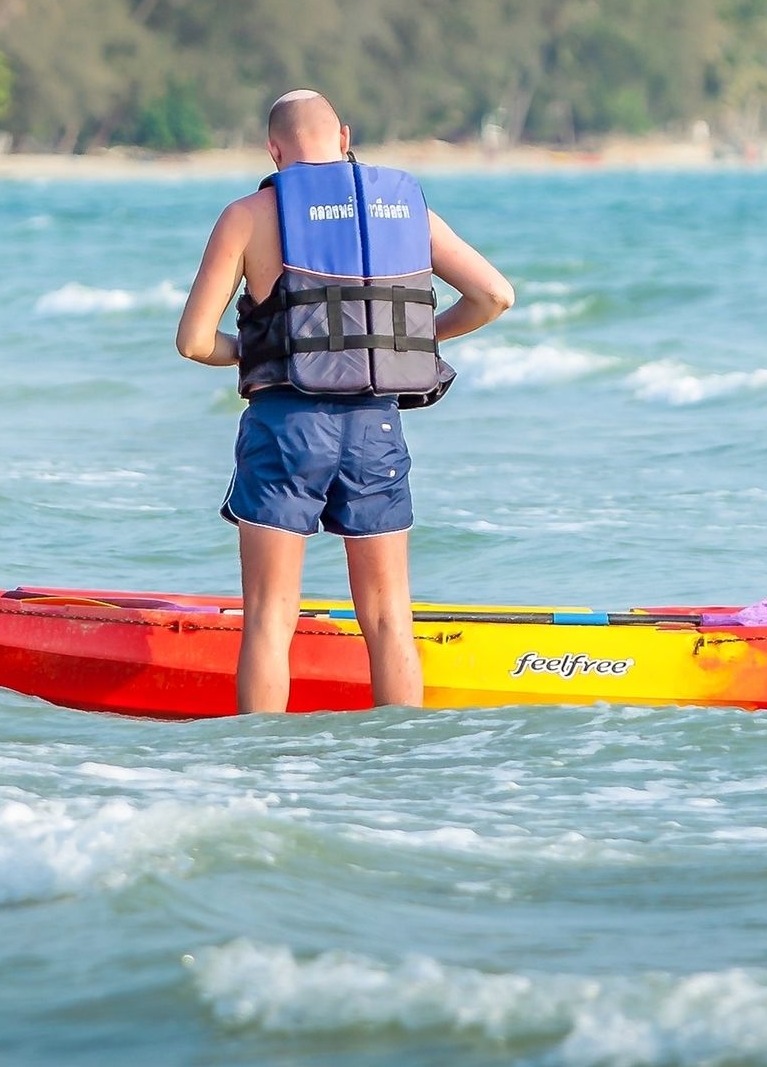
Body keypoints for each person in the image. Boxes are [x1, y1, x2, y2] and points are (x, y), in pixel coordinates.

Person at [173, 90, 513, 713]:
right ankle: (398, 770)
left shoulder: (248, 215)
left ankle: (262, 770)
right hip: (375, 427)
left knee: (271, 618)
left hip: (286, 423)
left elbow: (194, 342)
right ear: (345, 136)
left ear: (274, 151)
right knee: (389, 619)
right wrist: (400, 336)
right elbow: (495, 295)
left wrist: (264, 351)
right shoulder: (403, 211)